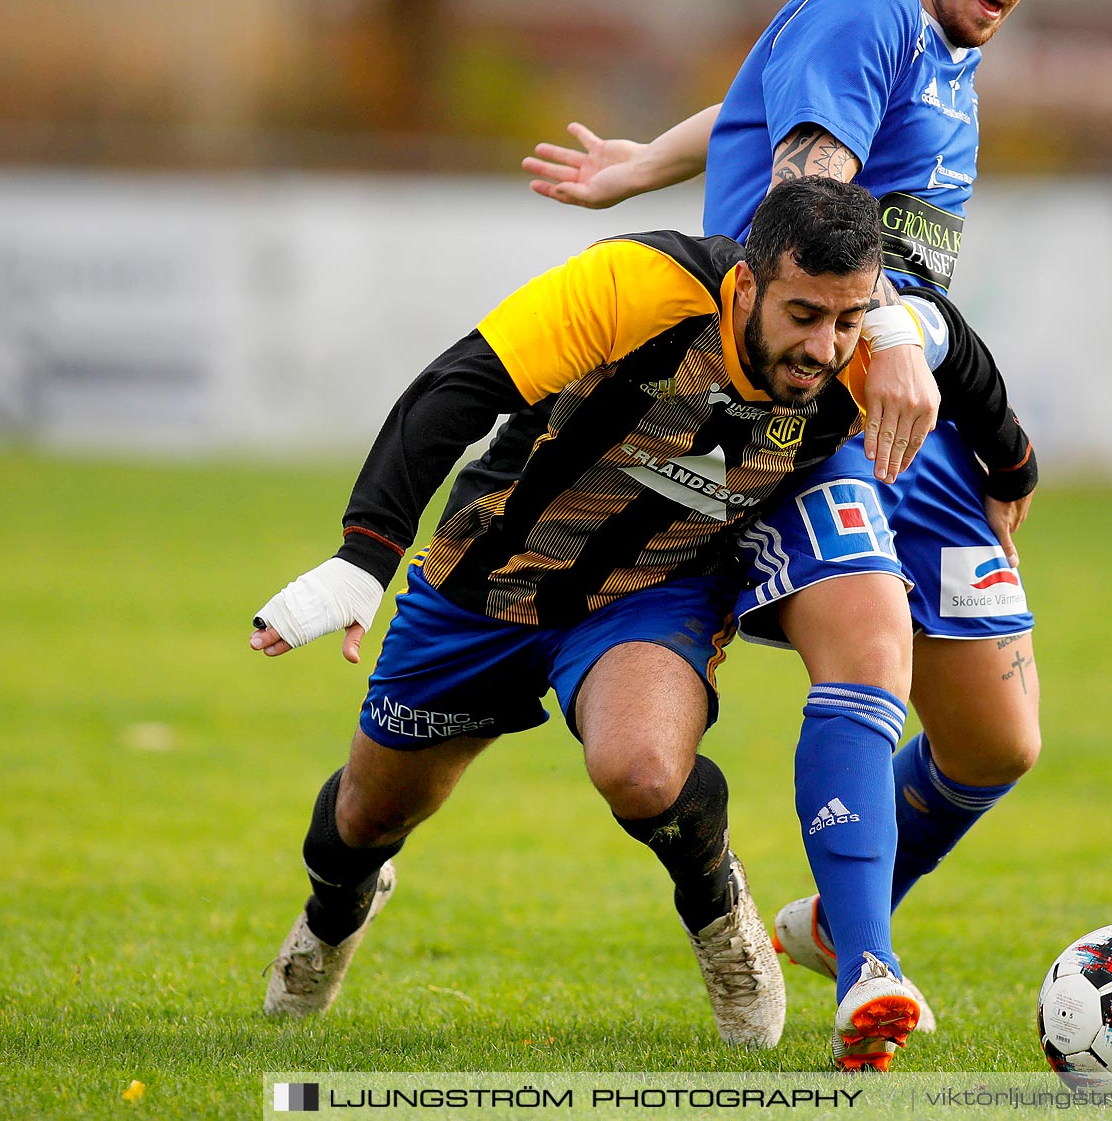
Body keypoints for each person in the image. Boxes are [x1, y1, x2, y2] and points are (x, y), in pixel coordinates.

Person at [524, 0, 1082, 1069]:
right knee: (869, 639)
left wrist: (643, 161)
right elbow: (811, 181)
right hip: (810, 398)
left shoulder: (929, 36)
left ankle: (834, 919)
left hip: (916, 405)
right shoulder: (870, 6)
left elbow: (764, 94)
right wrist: (886, 337)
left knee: (998, 739)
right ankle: (874, 962)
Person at [250, 178, 1026, 1060]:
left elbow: (957, 348)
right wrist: (366, 555)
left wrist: (1012, 465)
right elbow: (455, 387)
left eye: (846, 322)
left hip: (650, 590)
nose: (822, 348)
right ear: (746, 288)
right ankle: (335, 910)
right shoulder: (639, 283)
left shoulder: (875, 348)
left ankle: (720, 911)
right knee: (365, 816)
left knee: (644, 770)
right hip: (489, 575)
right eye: (802, 314)